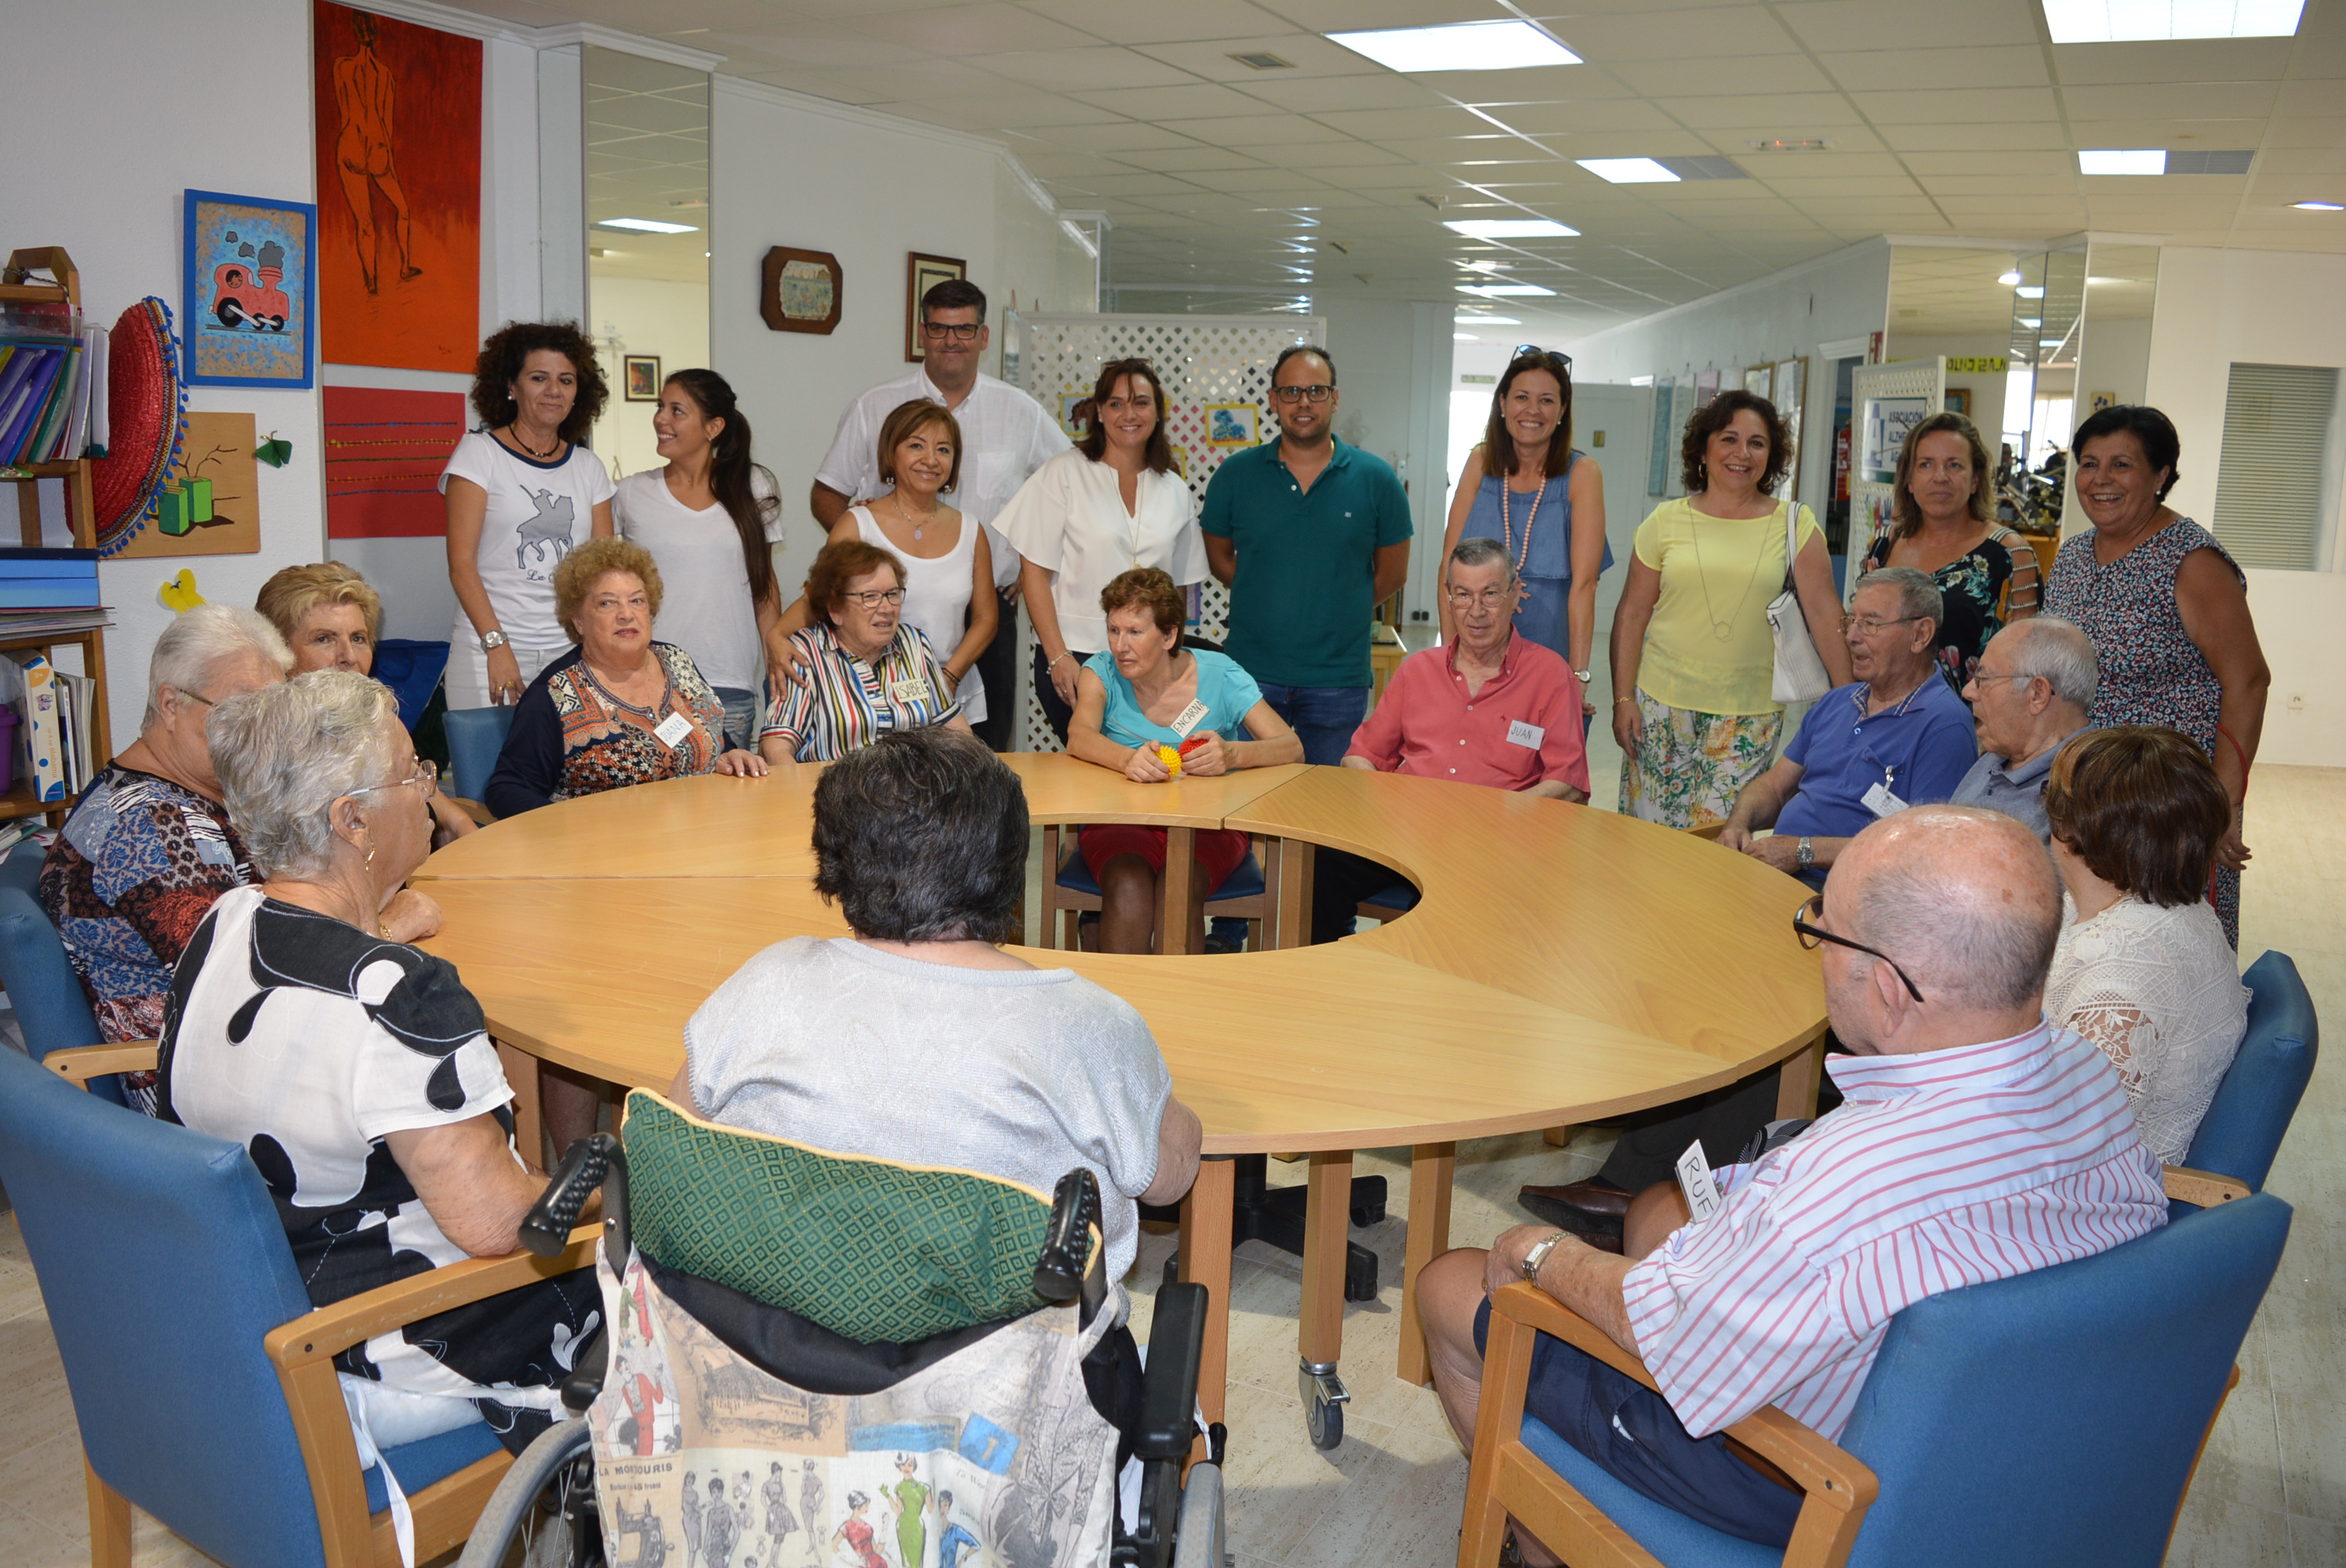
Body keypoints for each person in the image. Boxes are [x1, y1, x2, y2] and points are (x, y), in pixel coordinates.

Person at [1419, 806, 2166, 1556]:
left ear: (1889, 988)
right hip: (2010, 1449)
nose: (1815, 949)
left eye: (1822, 930)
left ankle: (1536, 1537)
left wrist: (1543, 1254)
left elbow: (1668, 1336)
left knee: (1453, 1285)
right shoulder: (2089, 1075)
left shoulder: (1850, 1184)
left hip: (1812, 1481)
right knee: (1658, 1218)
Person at [161, 673, 601, 1454]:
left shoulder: (226, 921)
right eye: (412, 772)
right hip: (390, 1349)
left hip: (254, 1307)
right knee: (690, 1276)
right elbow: (501, 1226)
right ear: (352, 819)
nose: (430, 791)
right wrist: (629, 1184)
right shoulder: (404, 999)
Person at [674, 725, 1203, 1309]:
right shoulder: (1088, 1023)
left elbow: (673, 1134)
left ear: (835, 858)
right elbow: (1168, 1181)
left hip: (771, 1345)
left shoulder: (766, 980)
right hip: (996, 1376)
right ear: (1009, 864)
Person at [37, 608, 370, 1116]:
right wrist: (383, 925)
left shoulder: (183, 797)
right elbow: (249, 974)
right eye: (241, 712)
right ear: (171, 704)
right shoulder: (151, 827)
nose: (265, 737)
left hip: (229, 1054)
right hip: (197, 1095)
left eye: (271, 714)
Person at [2040, 404, 2269, 947]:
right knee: (2083, 950)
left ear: (2160, 474)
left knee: (2158, 952)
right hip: (2084, 797)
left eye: (2121, 465)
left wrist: (2221, 804)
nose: (2100, 480)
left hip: (2164, 805)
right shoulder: (2072, 557)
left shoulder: (2191, 560)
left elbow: (2249, 681)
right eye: (2089, 463)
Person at [811, 278, 1066, 750]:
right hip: (885, 603)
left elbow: (1069, 489)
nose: (952, 341)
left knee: (986, 749)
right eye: (940, 329)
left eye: (965, 330)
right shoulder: (873, 406)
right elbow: (826, 493)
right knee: (881, 743)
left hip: (986, 608)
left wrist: (1032, 557)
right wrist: (866, 545)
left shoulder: (1021, 411)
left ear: (984, 338)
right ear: (922, 335)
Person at [1313, 539, 1589, 945]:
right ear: (1448, 598)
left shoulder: (1550, 676)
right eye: (1463, 595)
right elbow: (1360, 756)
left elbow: (1568, 782)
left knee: (1435, 921)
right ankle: (1327, 974)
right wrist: (1389, 806)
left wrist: (1497, 817)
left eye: (1490, 594)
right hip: (1406, 841)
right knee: (1318, 871)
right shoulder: (1417, 671)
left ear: (1516, 594)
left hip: (1494, 851)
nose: (1476, 612)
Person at [1611, 392, 1850, 828]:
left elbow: (1824, 613)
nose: (1742, 454)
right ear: (1704, 449)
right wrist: (1623, 698)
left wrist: (1849, 700)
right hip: (1661, 707)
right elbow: (1630, 615)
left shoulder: (1795, 524)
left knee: (1719, 838)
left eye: (1757, 443)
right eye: (1729, 439)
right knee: (1649, 837)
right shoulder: (1665, 522)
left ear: (1771, 455)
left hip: (1749, 713)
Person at [1064, 568, 1302, 954]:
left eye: (1135, 632)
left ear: (1169, 635)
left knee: (1179, 881)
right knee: (1128, 882)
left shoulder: (1221, 675)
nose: (1120, 646)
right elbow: (1079, 736)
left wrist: (1232, 753)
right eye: (1113, 630)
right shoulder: (1101, 671)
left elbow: (1291, 747)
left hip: (1208, 827)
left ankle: (1174, 1010)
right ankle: (1120, 1006)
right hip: (1121, 820)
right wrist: (1128, 760)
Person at [2043, 726, 2249, 1165]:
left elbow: (2068, 1145)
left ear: (2076, 827)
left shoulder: (2126, 968)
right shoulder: (2172, 909)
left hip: (2105, 1206)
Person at [1200, 346, 1413, 765]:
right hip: (1250, 677)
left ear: (1334, 398)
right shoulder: (1235, 475)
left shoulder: (1376, 480)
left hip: (1338, 679)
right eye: (1291, 391)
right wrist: (1267, 590)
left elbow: (1393, 573)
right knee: (1249, 804)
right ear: (1273, 400)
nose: (1303, 402)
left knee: (1325, 810)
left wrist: (1340, 604)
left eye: (1316, 391)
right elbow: (1221, 560)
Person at [1717, 567, 1977, 885]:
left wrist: (1803, 852)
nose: (1852, 637)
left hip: (1846, 902)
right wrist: (1737, 825)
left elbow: (1922, 848)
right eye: (1851, 621)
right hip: (1775, 876)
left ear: (1920, 635)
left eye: (1870, 624)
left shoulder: (1945, 726)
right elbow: (1774, 786)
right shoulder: (1837, 702)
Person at [1000, 357, 1209, 744]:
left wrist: (1173, 658)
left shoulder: (1174, 489)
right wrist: (1058, 657)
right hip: (1076, 658)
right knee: (1095, 768)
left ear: (1158, 412)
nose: (1129, 414)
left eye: (1141, 403)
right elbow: (1034, 574)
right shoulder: (1063, 473)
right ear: (1098, 412)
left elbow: (1178, 590)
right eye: (1116, 403)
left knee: (1149, 767)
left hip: (1150, 664)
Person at [484, 536, 767, 818]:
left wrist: (729, 755)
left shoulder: (676, 661)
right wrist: (569, 827)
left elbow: (713, 736)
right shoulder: (554, 694)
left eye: (637, 601)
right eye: (607, 603)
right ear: (579, 621)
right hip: (610, 851)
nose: (626, 614)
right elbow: (507, 789)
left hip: (702, 834)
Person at [779, 400, 995, 730]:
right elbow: (820, 599)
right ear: (891, 454)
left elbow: (986, 618)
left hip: (952, 696)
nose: (931, 460)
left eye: (943, 449)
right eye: (916, 446)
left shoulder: (971, 529)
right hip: (866, 700)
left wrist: (947, 678)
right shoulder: (858, 523)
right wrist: (776, 636)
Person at [441, 320, 616, 710]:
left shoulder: (589, 467)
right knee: (487, 771)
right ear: (510, 386)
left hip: (569, 654)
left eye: (566, 381)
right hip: (486, 651)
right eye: (539, 378)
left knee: (562, 773)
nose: (554, 391)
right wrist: (497, 646)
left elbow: (602, 571)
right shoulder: (479, 454)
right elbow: (461, 565)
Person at [614, 368, 785, 749]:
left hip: (728, 682)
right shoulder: (629, 493)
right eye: (661, 407)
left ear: (714, 427)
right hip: (648, 681)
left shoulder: (753, 485)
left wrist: (775, 648)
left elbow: (764, 582)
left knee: (726, 801)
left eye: (677, 410)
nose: (661, 418)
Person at [255, 560, 480, 846]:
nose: (348, 656)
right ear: (279, 653)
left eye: (358, 638)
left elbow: (451, 822)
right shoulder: (260, 744)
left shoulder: (380, 722)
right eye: (324, 639)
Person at [1440, 347, 1611, 691]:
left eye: (1547, 400)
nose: (1532, 410)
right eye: (1521, 397)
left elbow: (1584, 586)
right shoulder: (1480, 462)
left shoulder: (1582, 474)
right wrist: (1448, 660)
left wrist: (1578, 676)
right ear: (1502, 404)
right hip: (1475, 656)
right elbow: (1448, 569)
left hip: (1549, 653)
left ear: (1563, 410)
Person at [1861, 411, 2041, 689]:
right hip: (1884, 715)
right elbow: (1863, 634)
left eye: (1954, 465)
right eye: (1926, 465)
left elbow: (2025, 664)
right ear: (1909, 480)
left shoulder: (2011, 554)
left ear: (1975, 480)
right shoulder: (1884, 544)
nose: (1940, 477)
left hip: (1971, 724)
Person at [759, 539, 973, 764]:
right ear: (835, 609)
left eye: (892, 594)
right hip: (834, 793)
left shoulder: (913, 643)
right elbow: (777, 747)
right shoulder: (806, 653)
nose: (887, 608)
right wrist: (802, 796)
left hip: (916, 790)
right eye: (869, 597)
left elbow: (954, 728)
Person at [1948, 615, 2097, 840]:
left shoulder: (2087, 795)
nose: (1968, 692)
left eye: (1984, 678)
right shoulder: (1997, 756)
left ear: (2037, 694)